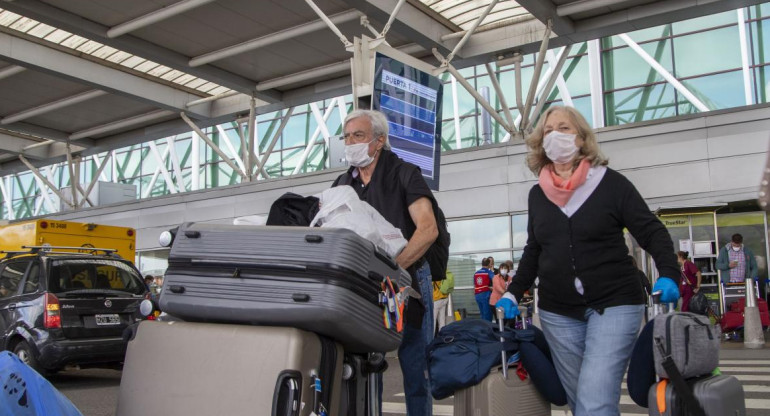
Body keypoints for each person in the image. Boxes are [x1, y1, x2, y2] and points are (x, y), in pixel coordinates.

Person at [495, 106, 680, 416]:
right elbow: (534, 250)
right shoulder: (538, 195)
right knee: (581, 402)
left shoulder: (611, 184)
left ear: (581, 139)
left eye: (563, 128)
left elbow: (651, 231)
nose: (555, 135)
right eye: (548, 130)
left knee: (594, 401)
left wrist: (670, 273)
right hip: (558, 312)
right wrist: (514, 291)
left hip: (615, 302)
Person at [331, 109, 439, 416]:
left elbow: (427, 229)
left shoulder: (405, 173)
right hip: (367, 289)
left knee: (415, 367)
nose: (350, 142)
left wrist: (395, 269)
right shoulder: (342, 185)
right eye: (347, 136)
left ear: (379, 141)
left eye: (359, 136)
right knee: (368, 369)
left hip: (408, 282)